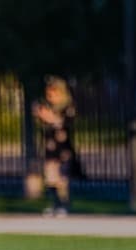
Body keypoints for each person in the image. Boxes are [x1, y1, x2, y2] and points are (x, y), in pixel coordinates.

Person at [32, 76, 82, 217]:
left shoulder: (67, 108)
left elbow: (63, 123)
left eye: (53, 94)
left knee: (62, 179)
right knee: (50, 178)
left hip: (63, 150)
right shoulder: (48, 107)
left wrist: (48, 117)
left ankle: (64, 204)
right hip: (50, 149)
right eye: (48, 94)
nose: (50, 97)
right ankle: (55, 204)